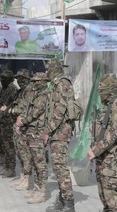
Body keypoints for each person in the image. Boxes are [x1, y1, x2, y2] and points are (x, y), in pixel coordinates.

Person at [88, 73, 117, 212]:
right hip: (103, 159)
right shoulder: (107, 107)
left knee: (113, 201)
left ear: (110, 89)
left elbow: (114, 134)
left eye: (102, 90)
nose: (100, 93)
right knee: (105, 197)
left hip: (112, 160)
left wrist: (95, 150)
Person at [45, 60, 77, 212]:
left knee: (61, 168)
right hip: (58, 132)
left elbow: (59, 111)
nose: (47, 72)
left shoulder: (62, 84)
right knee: (57, 168)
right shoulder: (57, 84)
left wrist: (48, 130)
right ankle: (63, 200)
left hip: (61, 132)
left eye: (48, 69)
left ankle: (69, 204)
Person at [16, 72, 50, 204]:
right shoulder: (35, 94)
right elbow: (27, 109)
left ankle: (41, 192)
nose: (34, 83)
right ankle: (36, 189)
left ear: (42, 82)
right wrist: (22, 119)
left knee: (40, 163)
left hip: (38, 132)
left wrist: (22, 121)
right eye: (33, 81)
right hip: (31, 131)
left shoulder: (44, 94)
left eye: (36, 81)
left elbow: (35, 112)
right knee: (35, 162)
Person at [9, 69, 32, 190]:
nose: (19, 80)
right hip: (17, 125)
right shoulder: (21, 91)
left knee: (25, 154)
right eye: (18, 78)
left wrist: (11, 111)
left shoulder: (28, 90)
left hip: (24, 126)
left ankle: (27, 180)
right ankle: (22, 178)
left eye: (22, 78)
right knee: (19, 152)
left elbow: (23, 108)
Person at [0, 70, 18, 178]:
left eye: (4, 79)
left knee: (9, 147)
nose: (2, 80)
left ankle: (11, 169)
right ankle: (6, 167)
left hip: (8, 122)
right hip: (1, 121)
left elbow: (15, 105)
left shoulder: (13, 89)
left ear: (9, 79)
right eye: (1, 78)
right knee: (4, 146)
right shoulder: (4, 89)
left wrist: (8, 109)